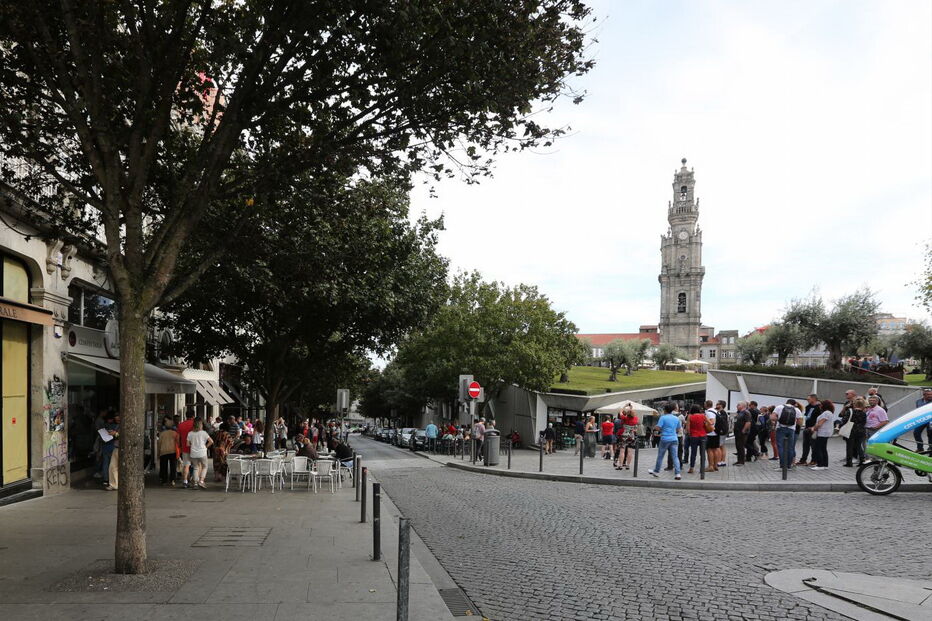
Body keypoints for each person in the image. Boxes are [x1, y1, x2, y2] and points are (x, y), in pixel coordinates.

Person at [648, 403, 682, 480]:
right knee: (675, 457)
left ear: (665, 410)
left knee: (660, 456)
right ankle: (678, 474)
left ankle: (656, 471)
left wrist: (656, 427)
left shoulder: (663, 418)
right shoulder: (676, 418)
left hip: (665, 439)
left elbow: (658, 428)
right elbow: (678, 429)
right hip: (674, 439)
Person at [773, 399, 802, 470]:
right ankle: (789, 466)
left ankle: (782, 466)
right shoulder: (797, 410)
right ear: (794, 404)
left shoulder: (779, 407)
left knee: (781, 447)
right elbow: (800, 422)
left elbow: (772, 417)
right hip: (791, 430)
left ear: (786, 402)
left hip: (780, 428)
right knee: (790, 448)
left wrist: (779, 420)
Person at [186, 418, 213, 489]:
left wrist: (193, 444)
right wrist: (206, 447)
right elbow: (211, 441)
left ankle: (195, 483)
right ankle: (201, 481)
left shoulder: (190, 433)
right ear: (201, 425)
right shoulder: (204, 433)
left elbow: (188, 444)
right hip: (202, 452)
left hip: (193, 453)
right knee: (205, 466)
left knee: (195, 467)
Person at [796, 394, 822, 466]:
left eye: (808, 399)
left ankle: (814, 460)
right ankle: (803, 460)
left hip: (814, 428)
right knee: (805, 445)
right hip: (807, 428)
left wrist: (814, 428)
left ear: (813, 399)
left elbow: (820, 419)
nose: (807, 400)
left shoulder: (819, 408)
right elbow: (807, 417)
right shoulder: (808, 407)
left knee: (814, 445)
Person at [810, 399, 835, 470]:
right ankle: (825, 465)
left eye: (821, 405)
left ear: (824, 405)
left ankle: (820, 465)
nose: (820, 406)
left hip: (822, 433)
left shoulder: (826, 413)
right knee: (823, 449)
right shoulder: (829, 413)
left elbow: (820, 424)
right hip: (825, 433)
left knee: (818, 448)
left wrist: (813, 428)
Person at [842, 397, 868, 467]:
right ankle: (862, 460)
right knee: (859, 446)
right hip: (861, 431)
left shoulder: (850, 411)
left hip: (851, 431)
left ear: (854, 404)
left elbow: (844, 420)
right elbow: (864, 422)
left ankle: (849, 462)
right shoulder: (864, 413)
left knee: (849, 447)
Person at [685, 404, 708, 474]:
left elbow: (687, 428)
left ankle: (691, 468)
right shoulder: (703, 416)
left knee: (693, 453)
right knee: (702, 453)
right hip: (703, 436)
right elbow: (710, 423)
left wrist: (689, 434)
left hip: (694, 436)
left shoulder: (690, 416)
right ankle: (702, 469)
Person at [615, 406, 638, 470]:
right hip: (631, 436)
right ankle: (628, 465)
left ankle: (620, 465)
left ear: (627, 414)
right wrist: (631, 408)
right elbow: (632, 414)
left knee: (622, 451)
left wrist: (625, 406)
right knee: (630, 451)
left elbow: (620, 412)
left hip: (624, 436)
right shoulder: (636, 419)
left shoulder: (624, 418)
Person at [158, 417, 179, 486]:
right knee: (173, 466)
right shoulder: (175, 433)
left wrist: (158, 452)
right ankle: (172, 480)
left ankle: (164, 480)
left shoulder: (162, 434)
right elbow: (178, 442)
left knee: (163, 466)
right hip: (173, 451)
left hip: (163, 451)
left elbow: (159, 443)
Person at [103, 414, 120, 491]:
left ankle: (117, 484)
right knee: (112, 467)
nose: (116, 419)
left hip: (123, 449)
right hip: (116, 447)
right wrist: (112, 433)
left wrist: (115, 434)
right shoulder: (117, 426)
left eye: (118, 417)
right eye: (115, 418)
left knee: (118, 467)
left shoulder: (126, 425)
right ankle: (114, 484)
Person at [732, 401, 750, 466]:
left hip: (742, 433)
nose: (737, 406)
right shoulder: (739, 413)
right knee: (738, 446)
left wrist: (743, 430)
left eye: (738, 405)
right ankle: (739, 460)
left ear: (743, 406)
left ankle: (741, 461)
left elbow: (748, 422)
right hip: (737, 432)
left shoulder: (746, 412)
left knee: (741, 446)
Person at [703, 400, 720, 470]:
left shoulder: (709, 412)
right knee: (715, 449)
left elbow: (712, 422)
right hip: (716, 432)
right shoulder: (716, 411)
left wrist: (706, 421)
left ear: (706, 405)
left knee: (709, 450)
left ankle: (710, 466)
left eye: (704, 404)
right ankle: (715, 465)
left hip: (711, 433)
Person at [713, 400, 729, 468]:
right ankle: (722, 461)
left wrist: (721, 430)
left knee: (719, 446)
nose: (716, 405)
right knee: (722, 446)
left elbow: (722, 423)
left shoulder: (721, 412)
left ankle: (719, 461)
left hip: (722, 431)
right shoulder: (722, 412)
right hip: (723, 431)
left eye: (717, 404)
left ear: (721, 405)